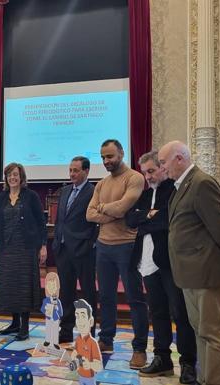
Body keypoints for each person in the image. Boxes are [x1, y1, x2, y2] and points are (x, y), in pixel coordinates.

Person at [158, 141, 220, 385]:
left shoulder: (202, 183)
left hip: (206, 272)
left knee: (213, 334)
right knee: (200, 332)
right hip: (188, 273)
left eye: (164, 163)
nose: (162, 168)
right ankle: (205, 379)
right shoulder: (181, 185)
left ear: (179, 159)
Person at [125, 150, 197, 383]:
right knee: (157, 312)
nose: (148, 177)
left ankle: (187, 363)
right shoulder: (145, 196)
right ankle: (162, 358)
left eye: (152, 171)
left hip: (169, 261)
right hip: (146, 262)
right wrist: (149, 216)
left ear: (163, 169)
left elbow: (169, 221)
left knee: (180, 313)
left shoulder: (174, 191)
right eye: (145, 173)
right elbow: (130, 219)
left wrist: (147, 219)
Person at [86, 139, 148, 369]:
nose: (106, 161)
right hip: (103, 246)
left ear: (122, 153)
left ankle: (139, 348)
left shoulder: (135, 178)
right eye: (103, 157)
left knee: (135, 299)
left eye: (110, 156)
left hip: (127, 246)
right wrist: (113, 211)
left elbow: (123, 208)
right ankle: (106, 340)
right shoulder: (101, 184)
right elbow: (89, 215)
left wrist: (106, 208)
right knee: (106, 297)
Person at [0, 162, 47, 340]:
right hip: (6, 249)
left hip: (26, 248)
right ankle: (14, 324)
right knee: (10, 286)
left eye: (16, 174)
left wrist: (43, 246)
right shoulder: (1, 197)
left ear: (21, 177)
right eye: (9, 175)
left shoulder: (31, 196)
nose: (12, 178)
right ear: (6, 178)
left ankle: (25, 326)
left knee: (24, 287)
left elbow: (40, 222)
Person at [52, 156, 98, 343]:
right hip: (63, 249)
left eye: (76, 170)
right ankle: (65, 331)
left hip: (83, 250)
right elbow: (60, 219)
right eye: (70, 170)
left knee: (87, 292)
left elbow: (97, 221)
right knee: (66, 293)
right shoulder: (64, 191)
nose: (72, 174)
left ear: (86, 171)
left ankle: (88, 333)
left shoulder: (93, 191)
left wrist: (89, 244)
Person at [71, 299, 103, 385]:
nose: (80, 321)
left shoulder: (93, 343)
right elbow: (75, 353)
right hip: (80, 376)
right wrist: (73, 356)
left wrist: (90, 365)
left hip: (90, 378)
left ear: (91, 321)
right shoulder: (78, 340)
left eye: (83, 316)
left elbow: (99, 366)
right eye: (77, 317)